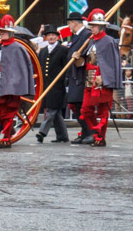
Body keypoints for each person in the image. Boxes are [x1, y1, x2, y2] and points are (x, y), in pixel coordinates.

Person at [0, 15, 35, 148]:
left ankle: (6, 137)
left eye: (4, 31)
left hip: (11, 86)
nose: (2, 34)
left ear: (11, 32)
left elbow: (20, 70)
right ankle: (9, 130)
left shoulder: (18, 48)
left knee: (8, 112)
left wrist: (15, 84)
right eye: (0, 31)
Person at [73, 8, 121, 147]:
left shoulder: (109, 41)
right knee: (85, 110)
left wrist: (106, 78)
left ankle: (100, 138)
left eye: (93, 25)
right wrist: (77, 59)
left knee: (103, 111)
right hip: (89, 80)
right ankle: (96, 132)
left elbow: (112, 64)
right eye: (91, 25)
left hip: (102, 81)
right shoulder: (90, 41)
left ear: (100, 26)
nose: (91, 28)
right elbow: (85, 62)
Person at [36, 25, 69, 143]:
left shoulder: (63, 50)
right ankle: (63, 136)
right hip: (46, 85)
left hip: (57, 86)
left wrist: (65, 81)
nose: (51, 37)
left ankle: (42, 132)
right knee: (57, 113)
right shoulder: (43, 51)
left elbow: (66, 67)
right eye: (49, 35)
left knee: (52, 110)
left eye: (53, 35)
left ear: (57, 37)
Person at [65, 12, 94, 144]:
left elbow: (89, 54)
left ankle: (90, 132)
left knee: (80, 104)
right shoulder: (76, 36)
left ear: (75, 23)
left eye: (69, 23)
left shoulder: (87, 35)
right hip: (73, 75)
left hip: (81, 76)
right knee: (74, 104)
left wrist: (80, 58)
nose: (69, 26)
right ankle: (85, 131)